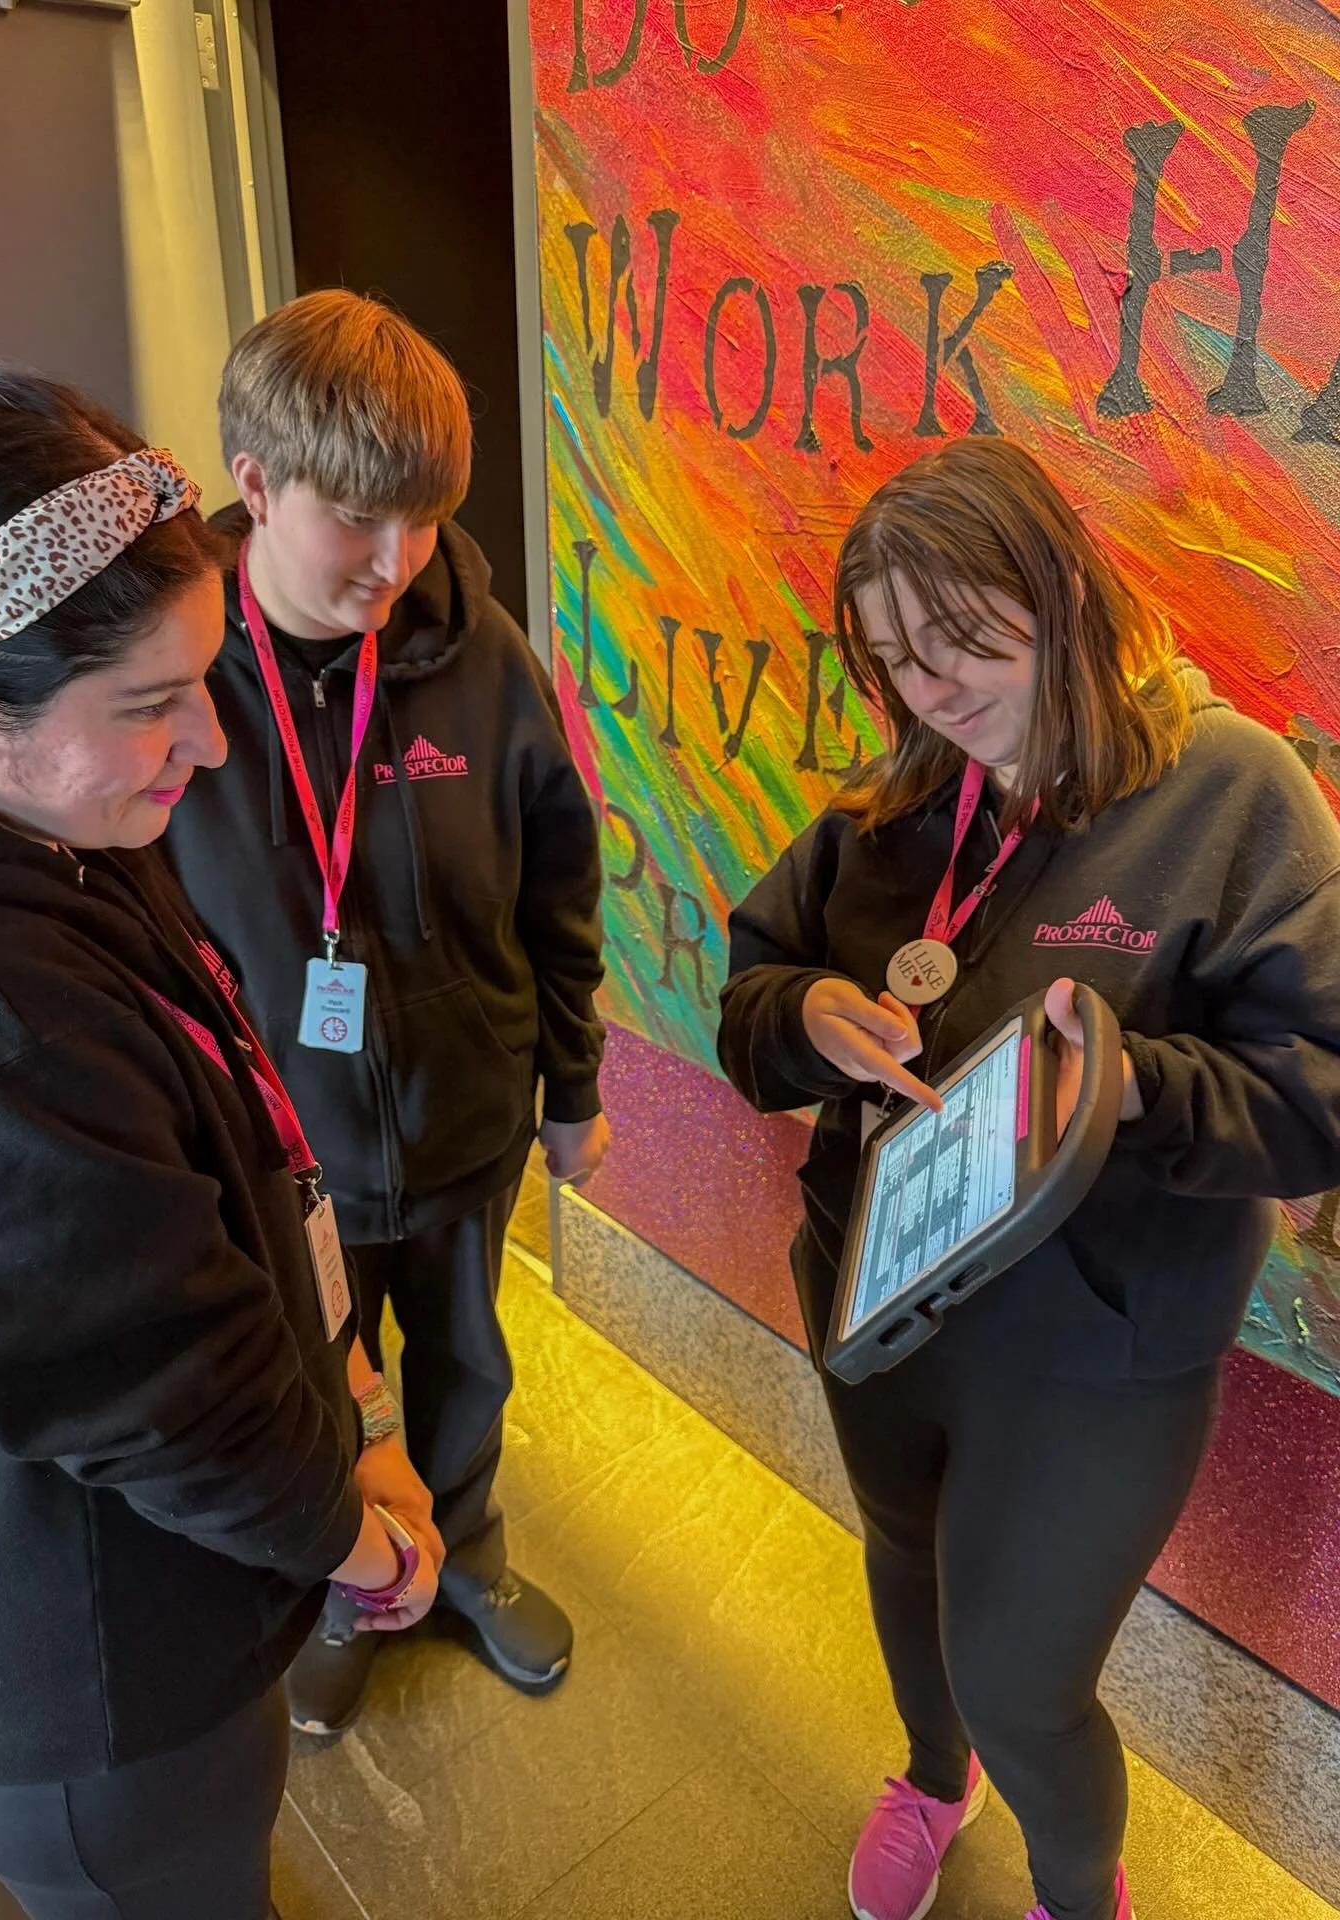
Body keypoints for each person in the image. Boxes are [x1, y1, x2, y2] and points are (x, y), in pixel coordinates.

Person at [717, 438, 1340, 1920]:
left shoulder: (1233, 794)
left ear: (1058, 585)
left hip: (1095, 1353)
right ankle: (935, 1782)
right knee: (898, 1563)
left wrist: (1128, 1084)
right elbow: (750, 997)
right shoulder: (901, 802)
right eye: (893, 661)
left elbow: (1319, 1101)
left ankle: (1079, 1896)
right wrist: (806, 1016)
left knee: (1022, 1674)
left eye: (958, 640)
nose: (929, 690)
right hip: (878, 1297)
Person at [0, 369, 444, 1920]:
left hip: (164, 1597)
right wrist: (370, 1553)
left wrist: (350, 1389)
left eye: (204, 680)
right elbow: (169, 1395)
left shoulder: (51, 826)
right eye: (149, 703)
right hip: (90, 1698)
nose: (206, 746)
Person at [162, 288, 608, 1733]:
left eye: (422, 520)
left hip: (465, 1113)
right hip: (283, 1154)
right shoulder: (171, 673)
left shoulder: (478, 653)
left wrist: (578, 1085)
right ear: (255, 483)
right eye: (357, 521)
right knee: (318, 1392)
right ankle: (349, 1585)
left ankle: (464, 1554)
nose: (396, 561)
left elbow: (559, 877)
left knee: (468, 1359)